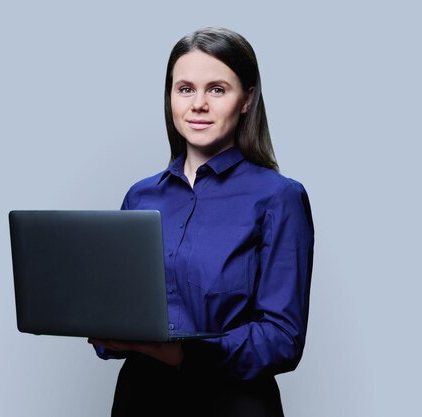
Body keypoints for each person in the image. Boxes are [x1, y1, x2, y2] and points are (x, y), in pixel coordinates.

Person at [90, 27, 314, 417]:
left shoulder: (279, 197)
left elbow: (283, 337)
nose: (198, 104)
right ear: (170, 98)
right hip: (140, 399)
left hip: (233, 403)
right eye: (185, 89)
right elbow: (117, 313)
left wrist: (183, 354)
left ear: (246, 100)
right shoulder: (140, 196)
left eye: (217, 89)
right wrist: (101, 325)